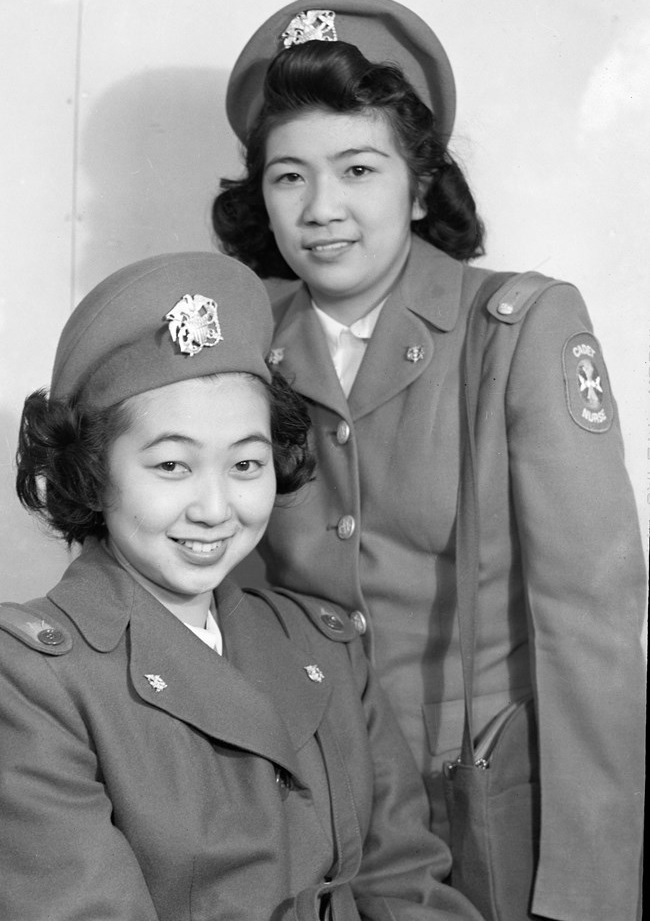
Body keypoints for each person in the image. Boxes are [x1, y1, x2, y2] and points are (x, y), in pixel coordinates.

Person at [212, 0, 647, 921]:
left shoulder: (518, 329)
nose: (322, 208)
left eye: (357, 168)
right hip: (318, 805)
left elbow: (592, 627)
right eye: (288, 176)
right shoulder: (240, 342)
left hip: (490, 809)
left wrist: (591, 892)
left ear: (419, 186)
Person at [0, 251, 486, 921]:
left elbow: (406, 882)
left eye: (247, 464)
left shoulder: (323, 645)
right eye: (172, 465)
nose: (215, 508)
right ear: (91, 472)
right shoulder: (31, 681)